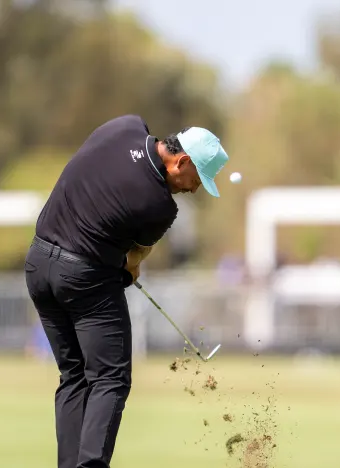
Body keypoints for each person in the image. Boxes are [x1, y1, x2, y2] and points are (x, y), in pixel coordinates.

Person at [23, 114, 229, 468]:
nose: (193, 189)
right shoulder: (160, 206)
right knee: (110, 379)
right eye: (197, 179)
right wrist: (129, 269)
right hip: (84, 278)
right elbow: (134, 260)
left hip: (38, 264)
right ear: (182, 161)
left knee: (74, 377)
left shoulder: (126, 126)